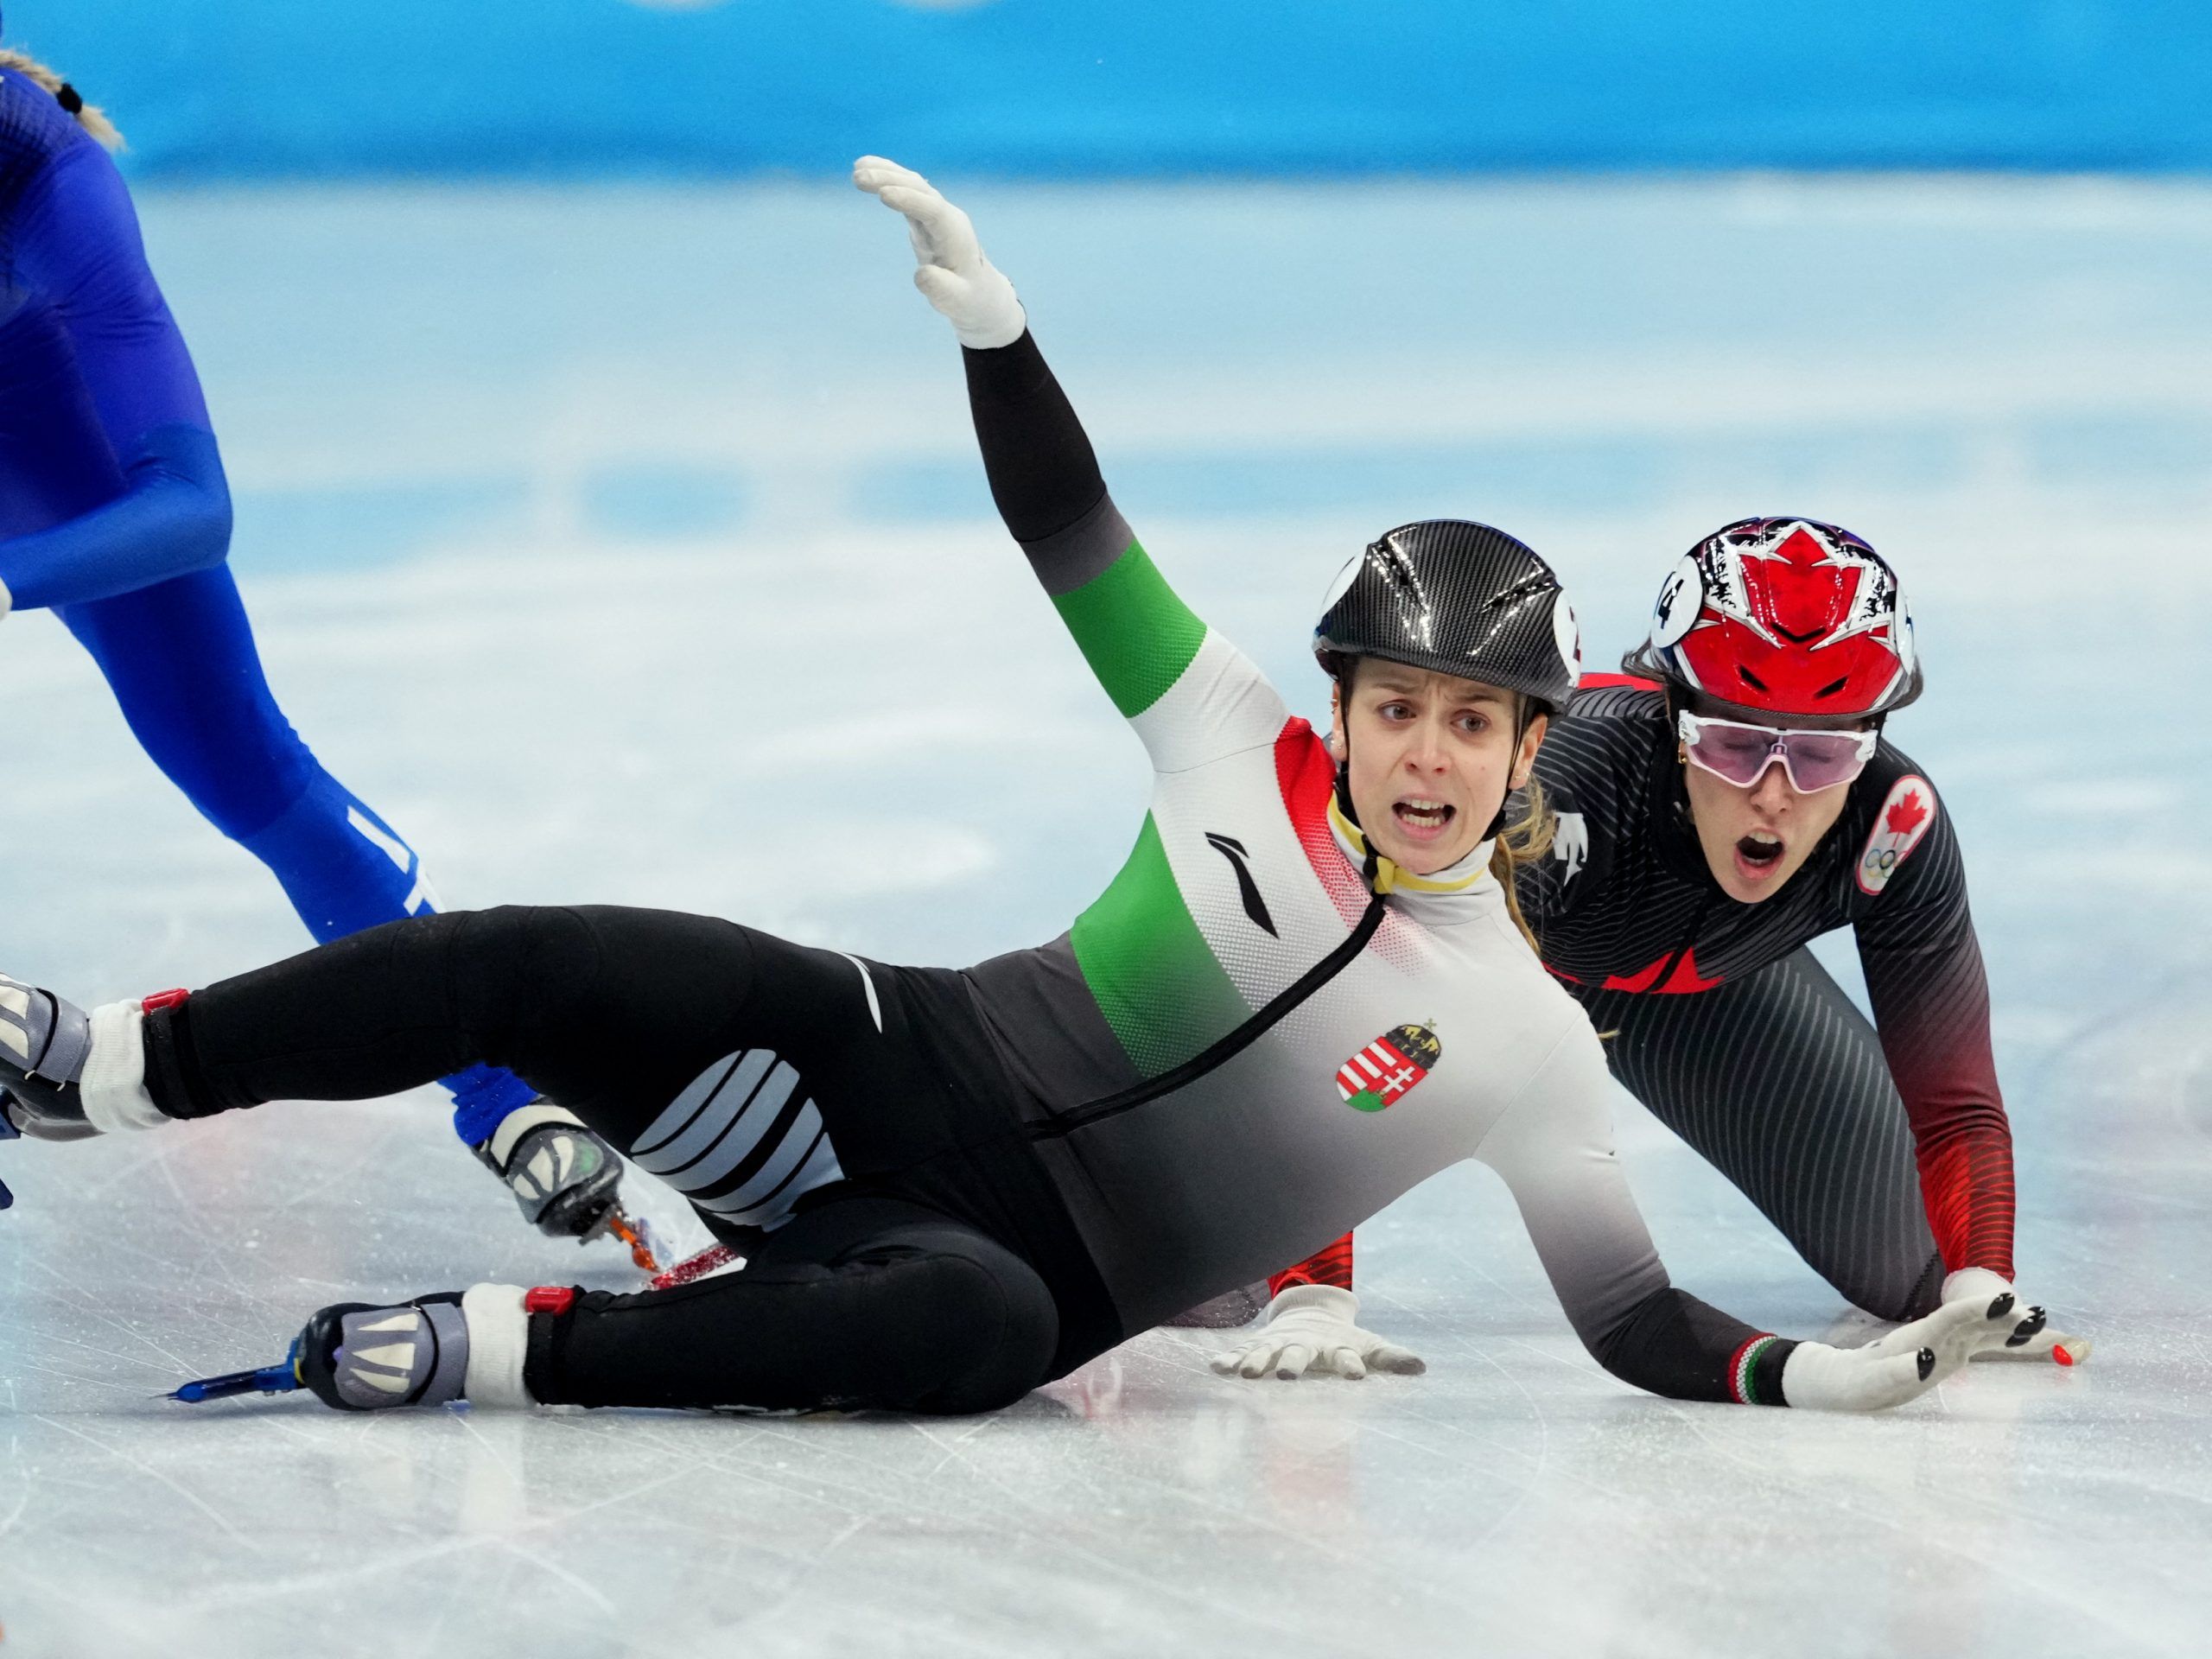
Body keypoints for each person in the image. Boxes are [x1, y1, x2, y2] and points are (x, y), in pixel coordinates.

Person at [0, 156, 2033, 1420]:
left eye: (1466, 725)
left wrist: (1812, 1373)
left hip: (1023, 1269)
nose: (1422, 753)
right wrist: (1002, 335)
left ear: (1521, 753)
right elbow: (1067, 522)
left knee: (971, 1341)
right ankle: (101, 1067)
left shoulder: (1515, 1026)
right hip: (895, 1062)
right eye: (1394, 707)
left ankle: (517, 1347)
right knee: (547, 952)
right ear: (1335, 702)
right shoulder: (1226, 728)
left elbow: (1627, 1316)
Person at [0, 29, 633, 1246]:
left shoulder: (54, 183)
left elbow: (190, 512)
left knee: (245, 768)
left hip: (43, 441)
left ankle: (500, 1090)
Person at [1225, 518, 2085, 1376]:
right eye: (1736, 745)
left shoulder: (1890, 825)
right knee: (1200, 1256)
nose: (1775, 798)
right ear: (1675, 721)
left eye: (1823, 755)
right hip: (1494, 967)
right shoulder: (1556, 795)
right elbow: (1329, 1003)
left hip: (1698, 1002)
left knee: (1924, 1280)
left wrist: (1983, 1282)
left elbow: (1955, 1105)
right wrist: (1313, 1288)